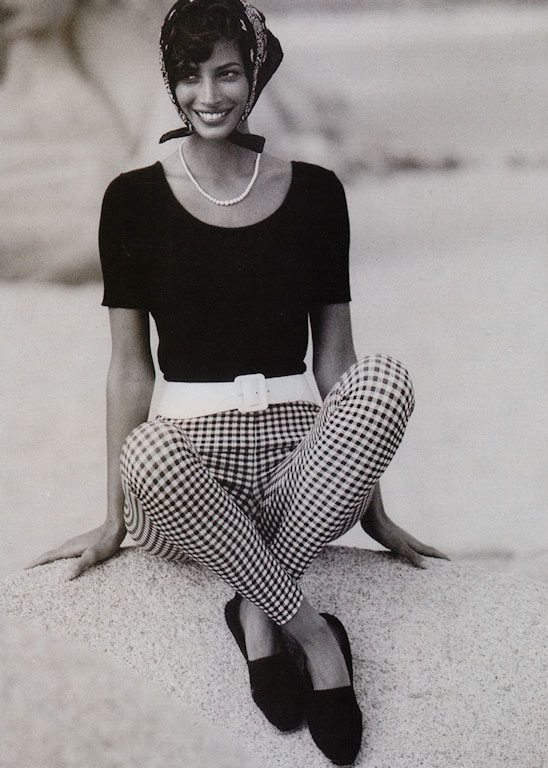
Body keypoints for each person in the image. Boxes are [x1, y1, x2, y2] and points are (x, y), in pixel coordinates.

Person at [28, 1, 448, 763]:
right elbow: (129, 367)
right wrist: (113, 520)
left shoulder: (317, 193)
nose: (208, 95)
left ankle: (256, 610)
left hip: (297, 465)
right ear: (170, 82)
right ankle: (314, 636)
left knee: (384, 380)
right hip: (187, 479)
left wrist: (375, 511)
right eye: (188, 76)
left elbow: (336, 362)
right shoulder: (132, 199)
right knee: (147, 452)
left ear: (255, 74)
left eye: (226, 73)